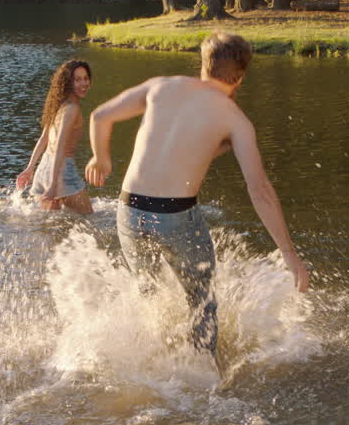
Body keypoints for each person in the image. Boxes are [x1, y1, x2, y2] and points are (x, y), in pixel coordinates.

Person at [84, 32, 309, 356]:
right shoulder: (235, 120)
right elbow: (259, 190)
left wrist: (100, 157)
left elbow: (100, 116)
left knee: (147, 295)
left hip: (129, 210)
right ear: (240, 76)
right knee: (202, 303)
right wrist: (288, 252)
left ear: (204, 64)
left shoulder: (161, 85)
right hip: (177, 217)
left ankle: (146, 364)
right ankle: (202, 378)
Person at [15, 59, 94, 214]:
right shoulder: (72, 109)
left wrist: (30, 168)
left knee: (51, 228)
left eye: (85, 78)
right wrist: (53, 185)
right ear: (67, 82)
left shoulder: (59, 105)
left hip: (44, 169)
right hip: (61, 173)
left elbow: (44, 139)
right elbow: (59, 145)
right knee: (90, 220)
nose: (84, 84)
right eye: (77, 80)